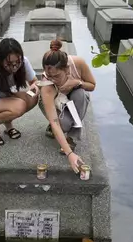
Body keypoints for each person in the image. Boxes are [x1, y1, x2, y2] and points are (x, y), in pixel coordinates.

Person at [0, 38, 40, 168]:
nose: (14, 67)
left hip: (7, 97)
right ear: (0, 60)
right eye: (9, 64)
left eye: (17, 62)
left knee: (33, 98)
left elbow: (34, 81)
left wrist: (35, 86)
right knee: (19, 106)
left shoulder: (23, 62)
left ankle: (8, 123)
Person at [39, 39, 96, 174]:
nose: (53, 79)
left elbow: (92, 85)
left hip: (74, 96)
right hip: (56, 101)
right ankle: (62, 128)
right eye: (49, 76)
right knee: (62, 124)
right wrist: (70, 154)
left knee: (81, 95)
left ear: (67, 68)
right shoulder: (47, 85)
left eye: (57, 75)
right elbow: (54, 120)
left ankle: (71, 137)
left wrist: (77, 83)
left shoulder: (78, 63)